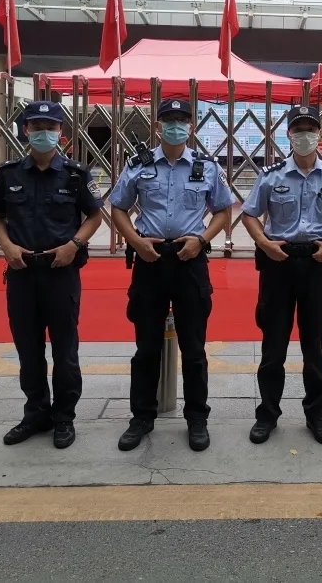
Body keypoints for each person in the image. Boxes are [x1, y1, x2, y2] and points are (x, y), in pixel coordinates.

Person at [109, 98, 234, 453]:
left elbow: (223, 211)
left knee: (193, 348)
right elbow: (118, 207)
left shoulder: (206, 167)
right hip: (149, 259)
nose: (175, 126)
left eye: (182, 120)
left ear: (191, 127)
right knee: (146, 347)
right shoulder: (138, 165)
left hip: (189, 259)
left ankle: (197, 418)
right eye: (169, 120)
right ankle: (141, 417)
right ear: (157, 125)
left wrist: (202, 240)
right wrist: (135, 241)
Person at [0, 100, 103, 450]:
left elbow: (95, 215)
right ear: (26, 131)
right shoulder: (10, 174)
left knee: (65, 349)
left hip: (60, 272)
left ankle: (64, 417)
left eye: (50, 128)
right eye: (37, 127)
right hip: (21, 272)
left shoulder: (76, 175)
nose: (43, 133)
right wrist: (6, 246)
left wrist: (74, 245)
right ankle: (36, 414)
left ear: (60, 132)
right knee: (28, 348)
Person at [241, 106, 322, 445]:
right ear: (288, 135)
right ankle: (267, 414)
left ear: (319, 135)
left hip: (317, 262)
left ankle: (316, 413)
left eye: (311, 129)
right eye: (298, 130)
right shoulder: (272, 175)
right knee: (273, 345)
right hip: (278, 262)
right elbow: (249, 214)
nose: (305, 135)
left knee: (315, 345)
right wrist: (264, 243)